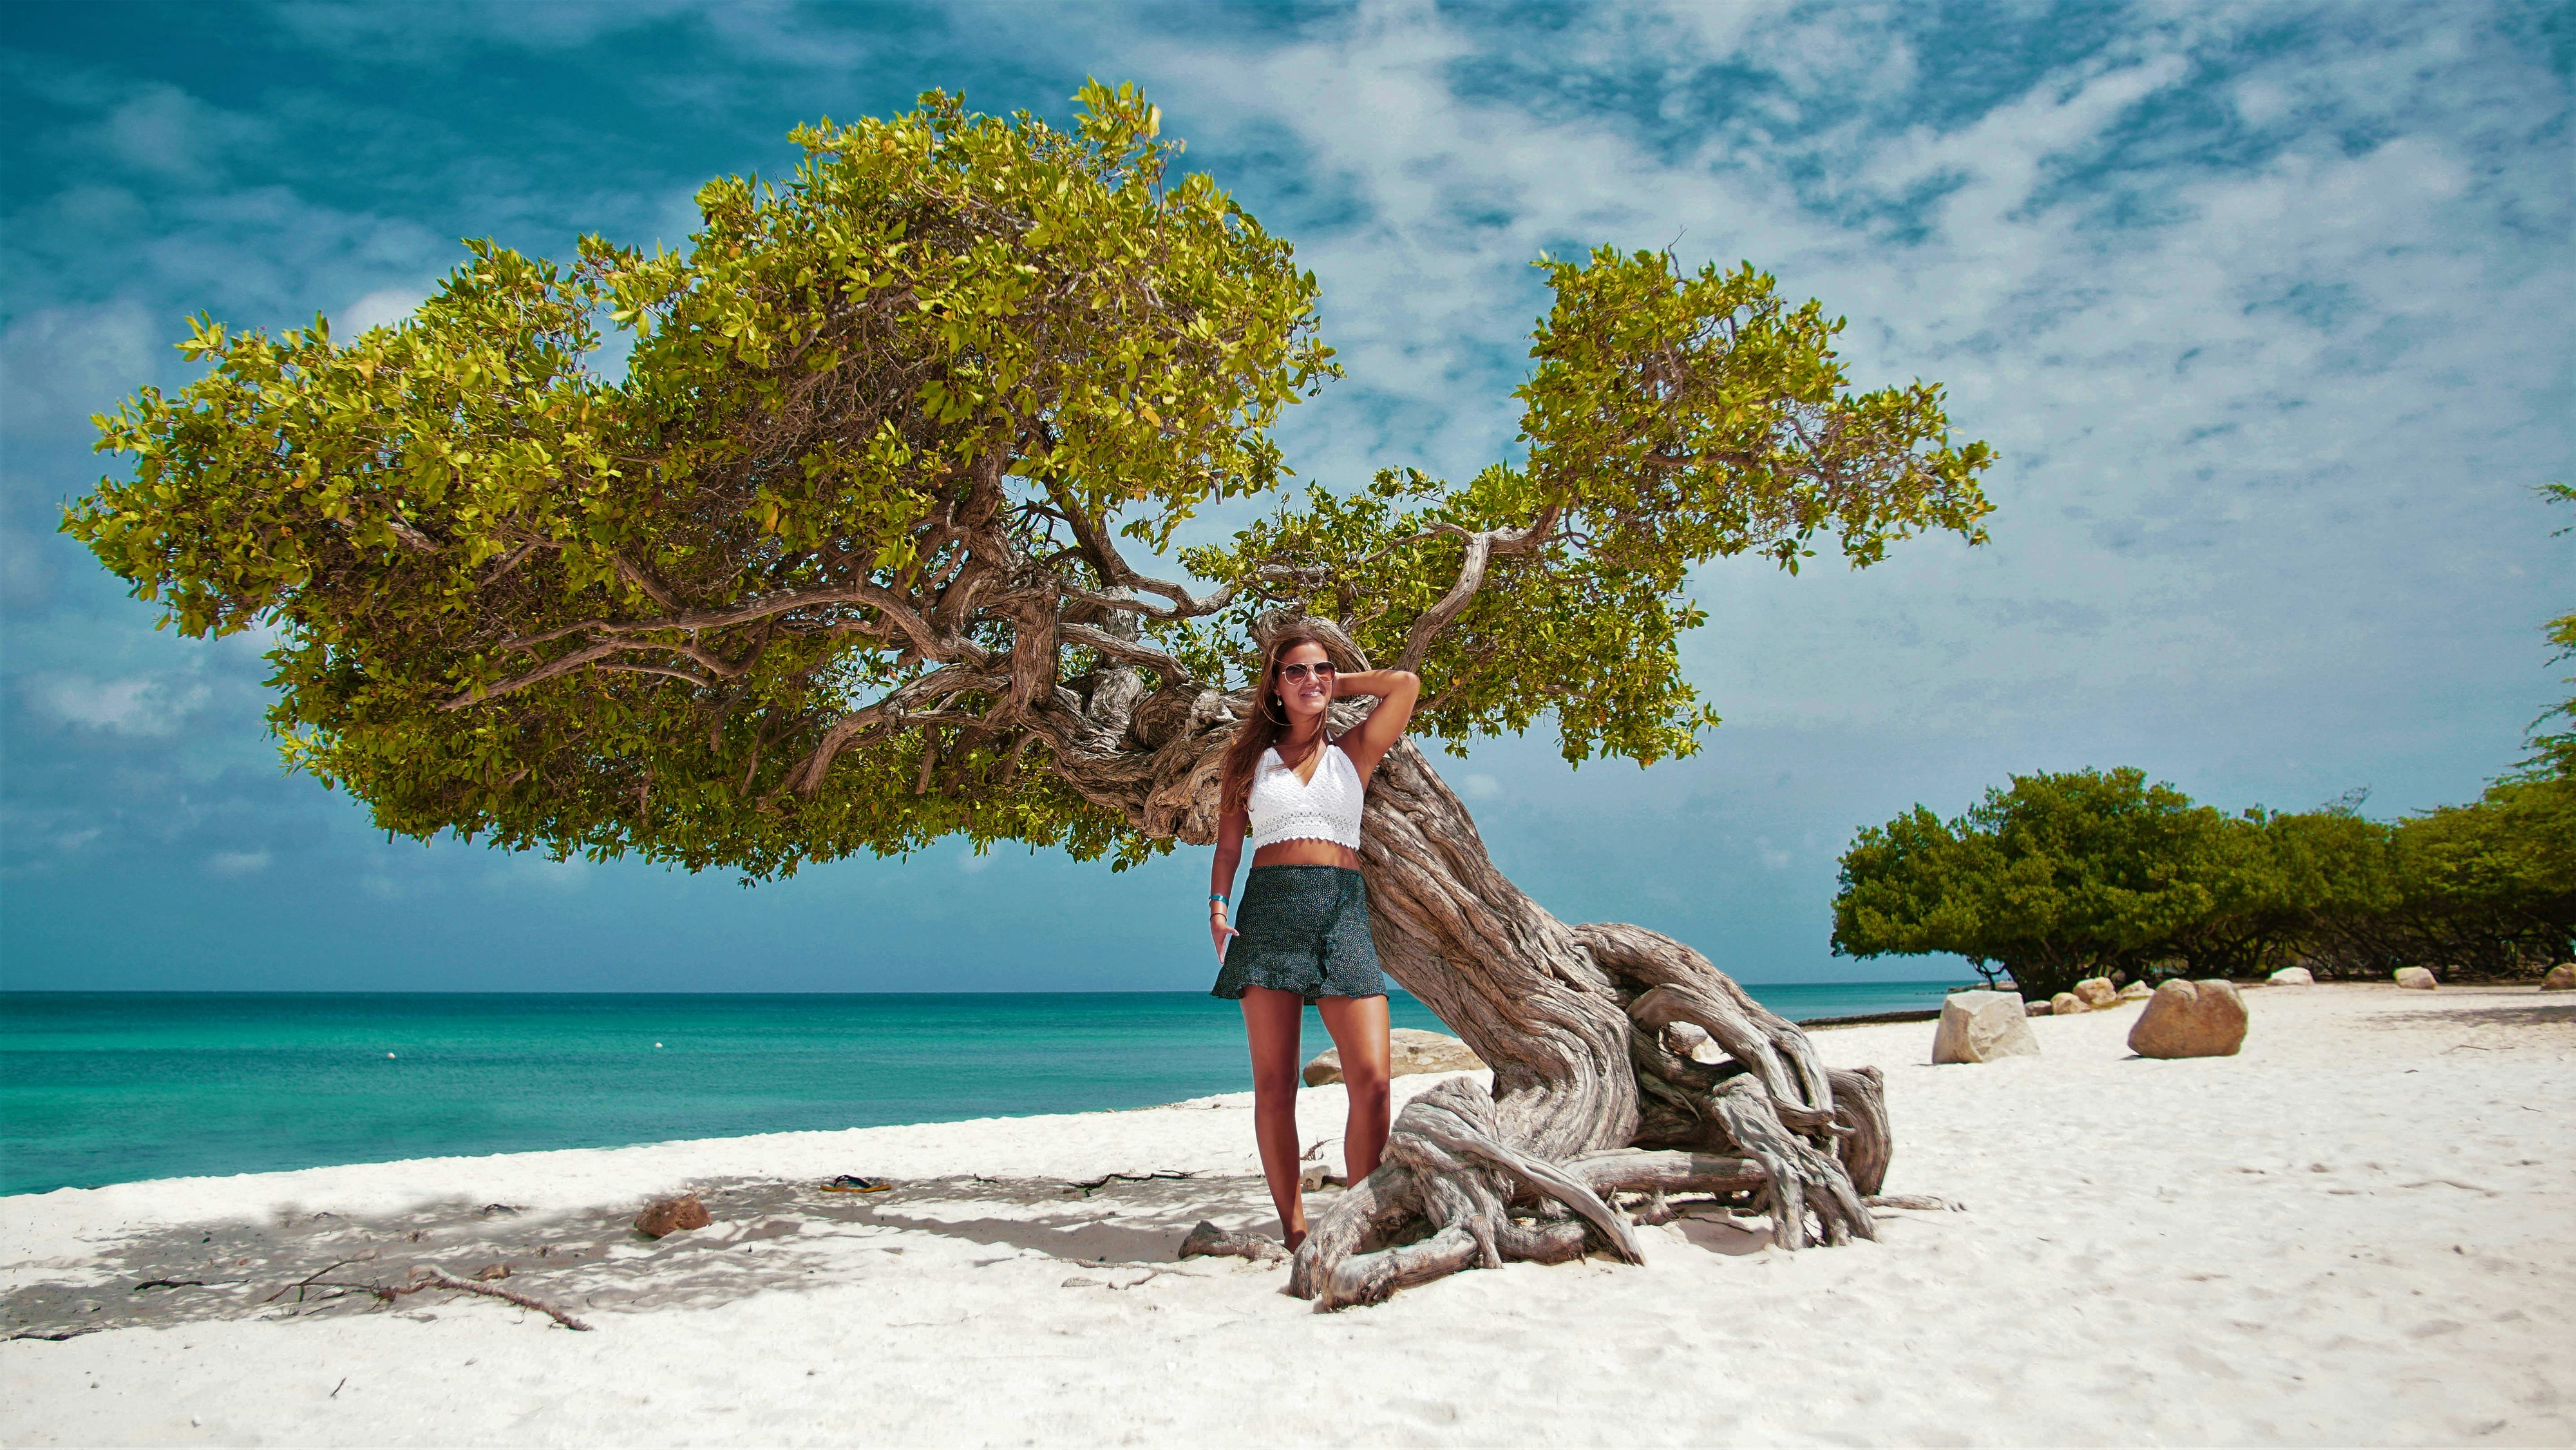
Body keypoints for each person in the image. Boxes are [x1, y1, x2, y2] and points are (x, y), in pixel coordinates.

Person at [1207, 624, 1420, 1251]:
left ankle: (1364, 1218)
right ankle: (1296, 1229)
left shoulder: (1354, 750)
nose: (1312, 680)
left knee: (1373, 1080)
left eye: (1320, 670)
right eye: (1294, 671)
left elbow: (1403, 684)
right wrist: (1217, 904)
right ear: (1273, 685)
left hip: (1341, 912)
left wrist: (1328, 684)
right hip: (1268, 914)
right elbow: (1226, 847)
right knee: (1275, 1086)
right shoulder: (1247, 760)